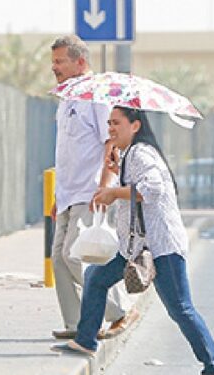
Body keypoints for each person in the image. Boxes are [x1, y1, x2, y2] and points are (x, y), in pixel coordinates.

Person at [51, 107, 214, 375]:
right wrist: (114, 168)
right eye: (109, 123)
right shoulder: (130, 154)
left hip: (161, 245)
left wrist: (114, 192)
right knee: (96, 279)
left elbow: (152, 189)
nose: (111, 128)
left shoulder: (142, 153)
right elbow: (134, 186)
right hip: (135, 246)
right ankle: (86, 341)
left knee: (180, 308)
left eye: (117, 123)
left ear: (135, 125)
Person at [49, 35, 136, 339]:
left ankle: (121, 310)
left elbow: (109, 143)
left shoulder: (96, 97)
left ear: (80, 62)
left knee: (75, 256)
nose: (54, 68)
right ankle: (76, 324)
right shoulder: (67, 99)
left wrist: (104, 188)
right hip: (67, 194)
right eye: (54, 62)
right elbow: (67, 151)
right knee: (59, 260)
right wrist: (56, 196)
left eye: (60, 61)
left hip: (88, 192)